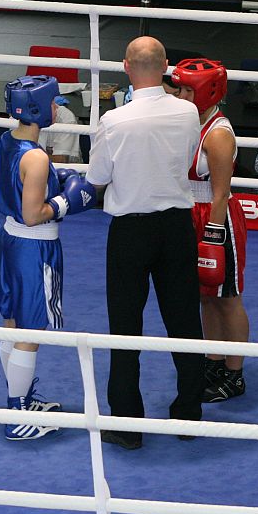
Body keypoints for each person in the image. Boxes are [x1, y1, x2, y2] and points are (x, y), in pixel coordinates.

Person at [86, 36, 205, 450]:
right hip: (176, 227)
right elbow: (188, 160)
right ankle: (189, 415)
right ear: (166, 64)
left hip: (130, 231)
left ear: (126, 66)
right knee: (185, 322)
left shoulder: (113, 121)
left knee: (125, 327)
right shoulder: (188, 112)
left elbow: (96, 178)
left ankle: (126, 425)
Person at [0, 75, 97, 441]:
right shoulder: (35, 157)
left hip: (8, 240)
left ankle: (18, 404)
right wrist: (64, 201)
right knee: (32, 330)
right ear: (36, 109)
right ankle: (18, 415)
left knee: (14, 322)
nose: (56, 108)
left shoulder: (4, 141)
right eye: (52, 103)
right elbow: (34, 214)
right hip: (33, 247)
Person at [172, 58, 250, 403]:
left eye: (188, 90)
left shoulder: (218, 134)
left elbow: (220, 193)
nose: (181, 95)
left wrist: (212, 236)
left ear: (207, 92)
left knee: (227, 297)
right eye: (180, 89)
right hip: (189, 212)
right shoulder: (188, 121)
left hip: (216, 217)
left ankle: (234, 374)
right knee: (205, 295)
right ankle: (214, 361)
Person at [38, 95, 81, 162]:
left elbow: (60, 160)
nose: (56, 106)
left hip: (68, 167)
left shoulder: (65, 117)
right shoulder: (26, 119)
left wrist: (31, 155)